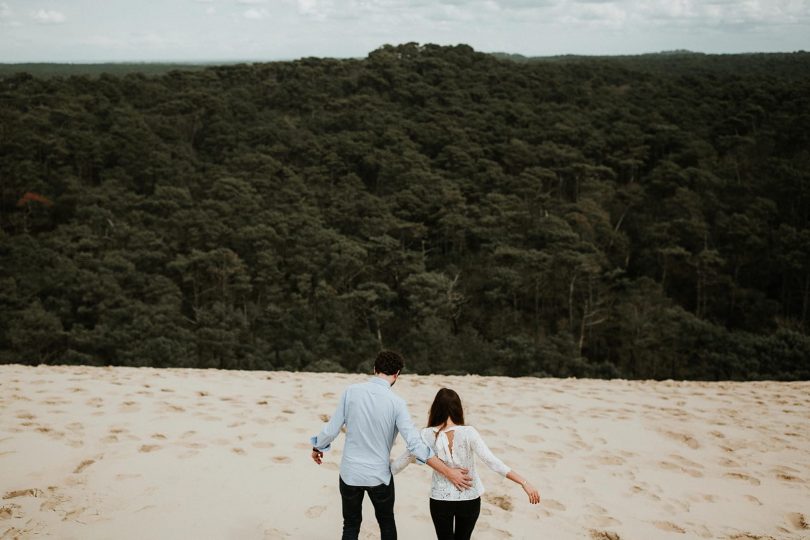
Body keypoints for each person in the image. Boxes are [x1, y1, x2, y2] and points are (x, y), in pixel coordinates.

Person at [310, 351, 473, 540]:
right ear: (397, 374)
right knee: (386, 523)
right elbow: (414, 445)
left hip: (350, 473)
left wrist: (318, 447)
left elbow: (332, 429)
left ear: (374, 369)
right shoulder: (397, 403)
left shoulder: (351, 392)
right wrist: (448, 471)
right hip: (379, 476)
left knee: (351, 525)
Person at [391, 388, 540, 540]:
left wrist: (385, 473)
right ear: (458, 409)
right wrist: (524, 482)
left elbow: (404, 460)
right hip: (469, 498)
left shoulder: (425, 434)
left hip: (440, 500)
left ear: (435, 408)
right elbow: (492, 462)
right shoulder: (469, 432)